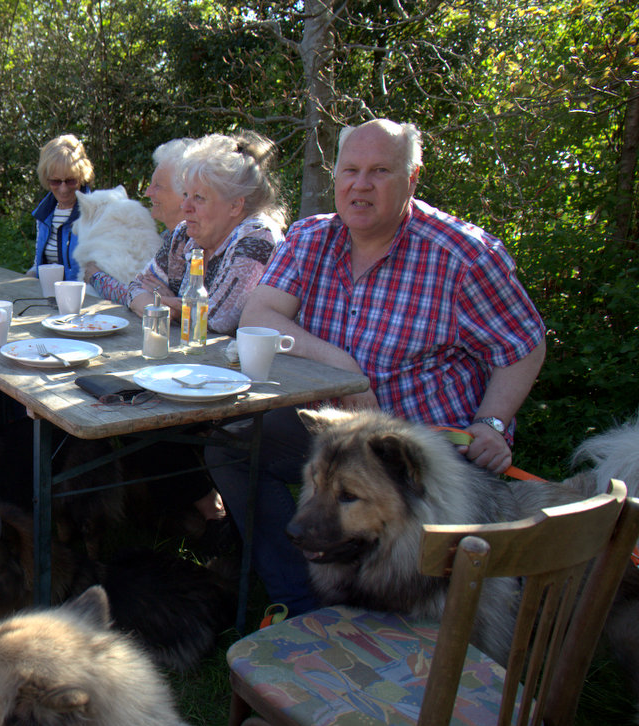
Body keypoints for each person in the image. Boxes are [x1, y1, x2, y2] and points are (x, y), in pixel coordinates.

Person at [204, 118, 547, 616]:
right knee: (232, 445)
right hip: (336, 431)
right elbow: (259, 315)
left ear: (412, 178)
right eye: (350, 170)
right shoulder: (310, 237)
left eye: (379, 171)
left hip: (422, 450)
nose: (360, 185)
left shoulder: (463, 255)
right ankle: (302, 602)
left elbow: (524, 345)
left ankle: (403, 606)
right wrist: (343, 367)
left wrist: (492, 423)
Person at [83, 131, 288, 336]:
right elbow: (134, 289)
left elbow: (217, 320)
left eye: (198, 197)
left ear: (235, 205)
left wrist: (162, 302)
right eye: (186, 195)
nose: (185, 206)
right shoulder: (185, 234)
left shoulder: (258, 237)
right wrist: (169, 305)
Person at [31, 134, 93, 281]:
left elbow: (104, 272)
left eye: (71, 181)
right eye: (56, 181)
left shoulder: (95, 213)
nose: (63, 189)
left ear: (82, 177)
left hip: (84, 293)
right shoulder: (44, 214)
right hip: (48, 291)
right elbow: (39, 266)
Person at [145, 137, 193, 236]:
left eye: (158, 186)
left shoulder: (198, 243)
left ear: (185, 194)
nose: (147, 193)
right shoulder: (164, 239)